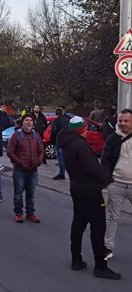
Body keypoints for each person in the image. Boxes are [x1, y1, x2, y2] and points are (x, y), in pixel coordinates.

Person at [57, 116, 120, 279]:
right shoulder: (80, 145)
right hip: (90, 190)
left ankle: (76, 259)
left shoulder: (68, 143)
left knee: (78, 223)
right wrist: (106, 174)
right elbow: (93, 168)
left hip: (76, 188)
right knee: (98, 227)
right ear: (82, 130)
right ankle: (100, 265)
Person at [101, 109, 132, 261]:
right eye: (120, 121)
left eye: (126, 121)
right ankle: (107, 248)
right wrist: (108, 182)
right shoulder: (112, 139)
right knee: (112, 217)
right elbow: (105, 161)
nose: (122, 123)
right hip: (117, 184)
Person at [7, 114, 44, 223]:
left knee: (31, 194)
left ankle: (30, 213)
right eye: (26, 120)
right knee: (18, 193)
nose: (29, 122)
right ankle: (18, 213)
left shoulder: (36, 135)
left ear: (33, 123)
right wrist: (19, 162)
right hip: (20, 170)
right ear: (22, 123)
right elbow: (10, 151)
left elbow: (41, 150)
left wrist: (39, 161)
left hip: (33, 171)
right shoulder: (16, 135)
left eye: (31, 120)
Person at [51, 107, 70, 180]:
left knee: (60, 158)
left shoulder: (56, 121)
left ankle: (62, 173)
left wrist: (53, 140)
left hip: (59, 140)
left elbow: (53, 132)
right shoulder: (67, 119)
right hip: (67, 140)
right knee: (66, 157)